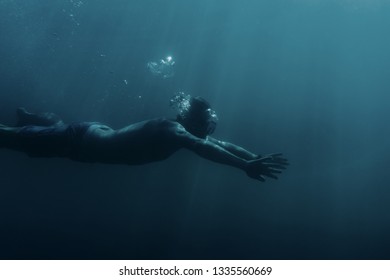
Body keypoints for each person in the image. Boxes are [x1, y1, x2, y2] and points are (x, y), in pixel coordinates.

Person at [0, 96, 288, 182]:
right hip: (76, 141)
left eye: (210, 127)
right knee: (9, 139)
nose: (208, 132)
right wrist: (244, 167)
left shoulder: (184, 133)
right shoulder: (173, 131)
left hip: (85, 142)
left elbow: (221, 145)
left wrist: (252, 157)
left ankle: (29, 116)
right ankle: (25, 122)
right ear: (188, 120)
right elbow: (204, 147)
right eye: (204, 125)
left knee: (54, 127)